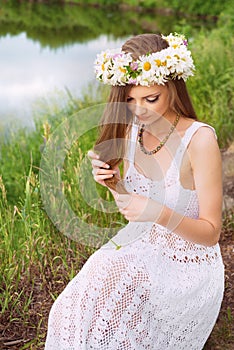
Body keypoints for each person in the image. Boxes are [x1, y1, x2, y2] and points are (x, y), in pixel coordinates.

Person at [45, 33, 224, 349]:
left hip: (187, 264)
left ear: (172, 86)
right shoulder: (131, 132)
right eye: (129, 100)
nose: (139, 110)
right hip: (140, 246)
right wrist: (113, 182)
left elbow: (211, 234)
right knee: (70, 306)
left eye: (150, 98)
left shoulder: (199, 140)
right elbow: (132, 205)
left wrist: (156, 212)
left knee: (116, 318)